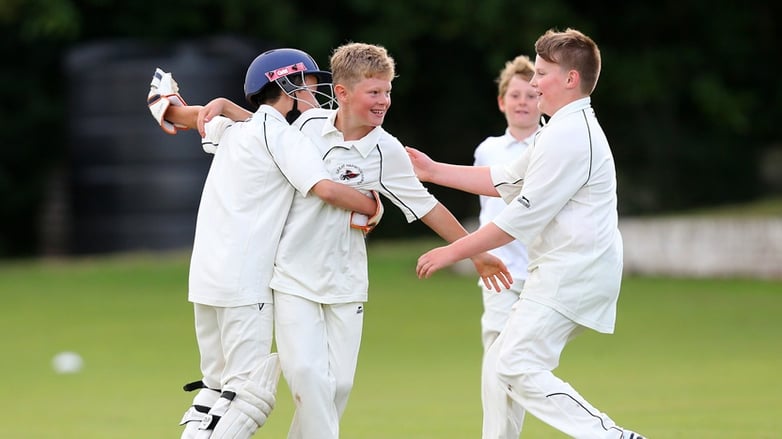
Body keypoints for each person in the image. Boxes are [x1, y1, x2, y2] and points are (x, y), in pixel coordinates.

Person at [198, 42, 512, 439]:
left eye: (387, 92)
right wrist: (226, 106)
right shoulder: (309, 126)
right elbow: (266, 130)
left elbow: (428, 206)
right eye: (374, 92)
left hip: (346, 283)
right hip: (292, 278)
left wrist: (476, 253)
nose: (384, 101)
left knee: (337, 388)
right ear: (342, 94)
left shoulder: (387, 150)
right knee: (309, 380)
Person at [407, 28, 646, 438]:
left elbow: (519, 217)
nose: (533, 85)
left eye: (541, 74)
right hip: (563, 271)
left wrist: (453, 252)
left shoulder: (571, 135)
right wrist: (432, 170)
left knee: (515, 365)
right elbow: (506, 179)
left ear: (570, 79)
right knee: (502, 365)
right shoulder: (558, 129)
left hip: (574, 273)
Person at [146, 48, 382, 439]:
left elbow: (192, 117)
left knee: (215, 389)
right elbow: (323, 188)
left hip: (206, 279)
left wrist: (169, 105)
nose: (314, 92)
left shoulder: (237, 130)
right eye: (307, 83)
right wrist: (371, 206)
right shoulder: (286, 139)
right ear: (286, 83)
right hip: (245, 281)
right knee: (248, 394)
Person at [472, 54, 542, 438]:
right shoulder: (488, 150)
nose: (522, 102)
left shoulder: (553, 145)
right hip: (499, 273)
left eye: (531, 95)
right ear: (502, 102)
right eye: (514, 95)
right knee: (496, 361)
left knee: (520, 365)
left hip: (539, 271)